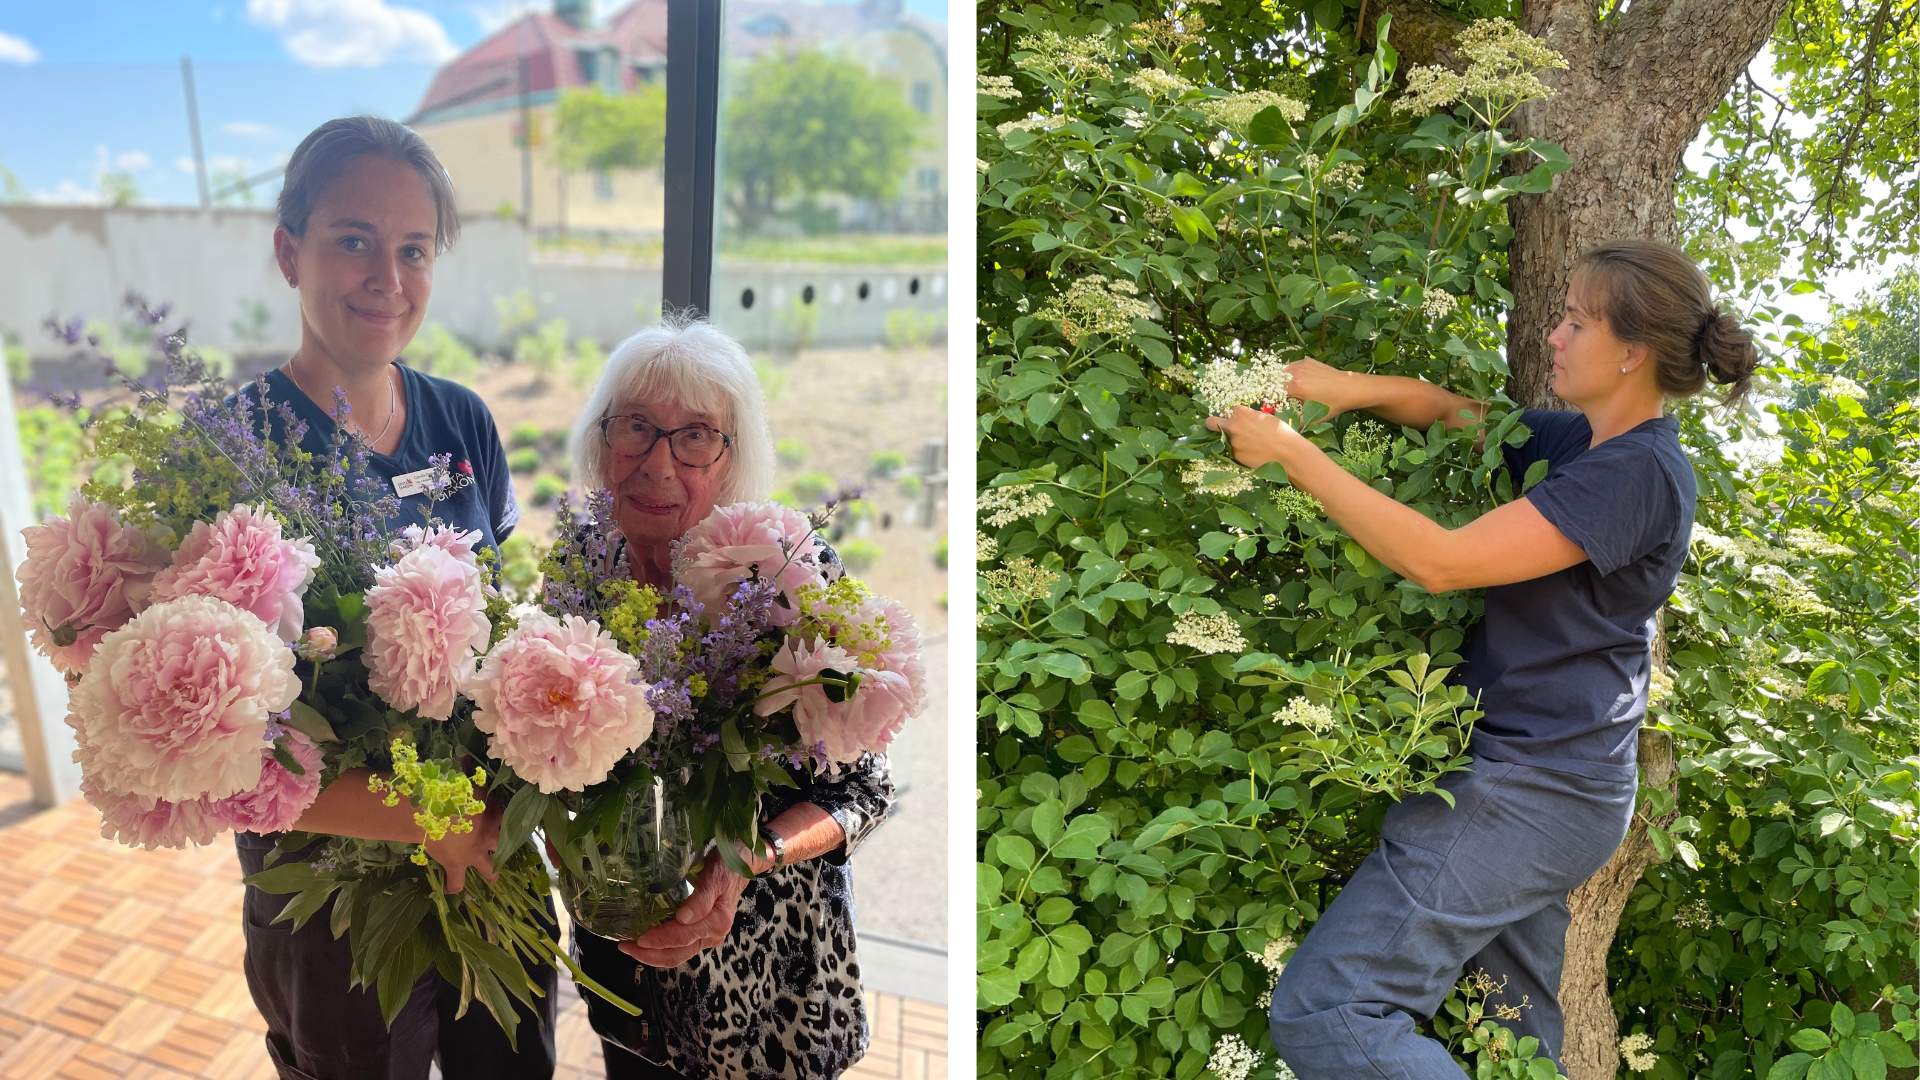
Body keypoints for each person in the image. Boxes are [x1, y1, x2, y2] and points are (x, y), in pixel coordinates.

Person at [1206, 239, 1758, 1077]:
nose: (1554, 336)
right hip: (1555, 786)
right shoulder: (1585, 446)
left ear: (1633, 352)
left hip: (1532, 788)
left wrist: (1292, 452)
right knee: (1513, 1044)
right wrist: (1342, 390)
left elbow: (1443, 561)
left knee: (1329, 1008)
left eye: (1576, 322)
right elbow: (1456, 414)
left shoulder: (1640, 473)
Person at [232, 115, 555, 1079]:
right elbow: (222, 755)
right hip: (333, 902)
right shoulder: (233, 448)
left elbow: (502, 626)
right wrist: (427, 822)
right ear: (291, 251)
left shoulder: (462, 418)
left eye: (414, 249)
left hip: (489, 858)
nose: (388, 277)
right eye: (353, 241)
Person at [564, 317, 896, 1079]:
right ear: (602, 436)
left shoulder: (783, 575)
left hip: (762, 979)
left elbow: (866, 792)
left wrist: (747, 860)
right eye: (637, 428)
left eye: (694, 437)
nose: (657, 464)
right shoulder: (587, 557)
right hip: (624, 957)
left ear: (733, 455)